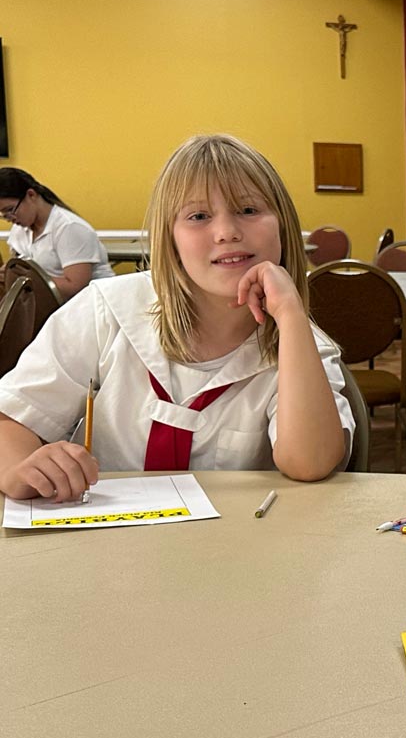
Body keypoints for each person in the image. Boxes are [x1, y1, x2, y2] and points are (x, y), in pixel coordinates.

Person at [0, 134, 353, 500]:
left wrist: (292, 315)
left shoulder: (301, 345)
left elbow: (310, 463)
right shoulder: (105, 310)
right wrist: (18, 469)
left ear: (282, 225)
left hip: (238, 535)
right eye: (198, 216)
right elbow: (10, 419)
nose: (227, 232)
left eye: (248, 210)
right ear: (170, 238)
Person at [0, 167, 115, 299]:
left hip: (90, 304)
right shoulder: (20, 228)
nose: (10, 218)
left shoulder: (69, 228)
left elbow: (76, 287)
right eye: (4, 215)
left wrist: (24, 278)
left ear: (31, 195)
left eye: (10, 210)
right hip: (50, 305)